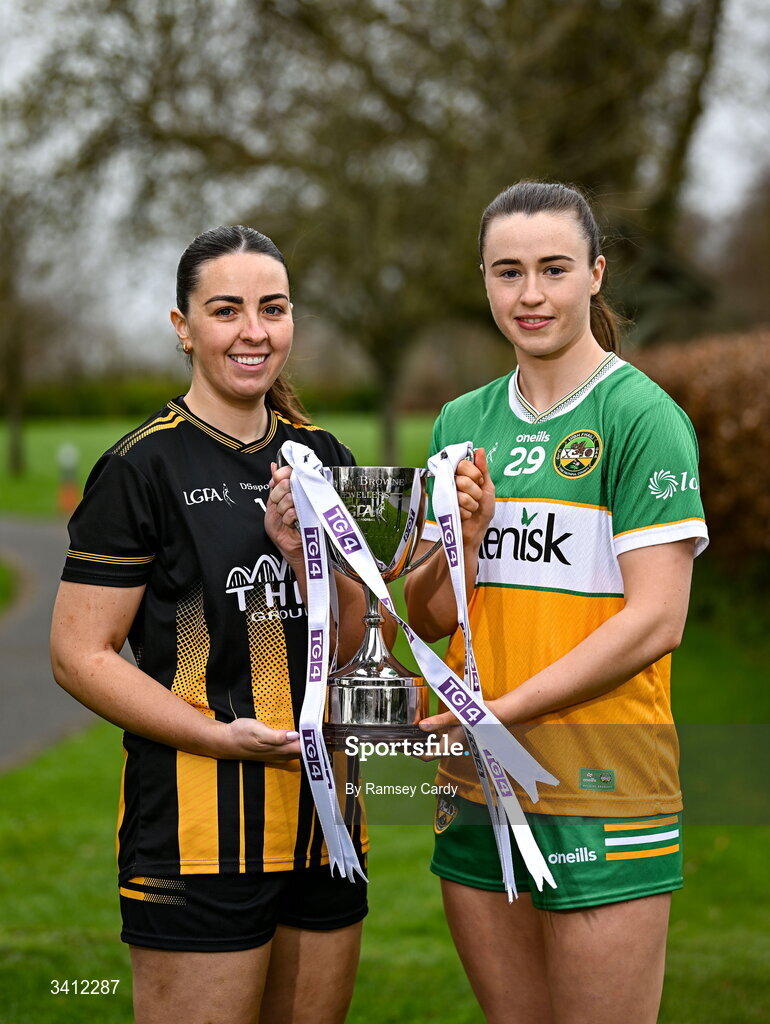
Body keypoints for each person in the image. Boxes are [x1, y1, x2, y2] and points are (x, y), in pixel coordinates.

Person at [404, 182, 708, 1024]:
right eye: (508, 272)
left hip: (604, 789)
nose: (530, 294)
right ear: (485, 282)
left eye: (553, 269)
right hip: (474, 787)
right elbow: (430, 613)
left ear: (596, 275)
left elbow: (657, 619)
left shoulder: (643, 418)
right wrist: (462, 542)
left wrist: (500, 712)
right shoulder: (459, 423)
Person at [50, 226, 369, 1024]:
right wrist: (214, 735)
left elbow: (355, 642)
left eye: (273, 308)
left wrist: (304, 560)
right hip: (196, 833)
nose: (253, 331)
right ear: (184, 326)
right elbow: (76, 653)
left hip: (326, 826)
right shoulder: (139, 469)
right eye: (226, 310)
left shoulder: (323, 456)